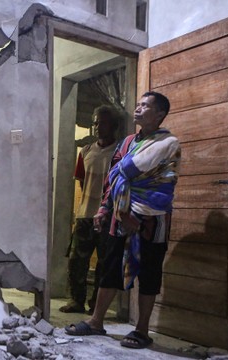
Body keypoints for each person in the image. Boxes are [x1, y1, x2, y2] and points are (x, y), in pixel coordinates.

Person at [64, 91, 181, 350]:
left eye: (145, 106)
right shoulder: (127, 143)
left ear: (160, 114)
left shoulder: (169, 143)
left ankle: (141, 330)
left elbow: (162, 187)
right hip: (119, 216)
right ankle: (96, 321)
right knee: (110, 267)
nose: (138, 109)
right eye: (138, 104)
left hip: (152, 220)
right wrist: (106, 209)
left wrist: (136, 216)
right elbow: (114, 179)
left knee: (149, 272)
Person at [60, 105, 120, 315]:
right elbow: (82, 182)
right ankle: (76, 300)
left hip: (108, 217)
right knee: (77, 261)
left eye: (101, 122)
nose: (97, 127)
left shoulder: (120, 151)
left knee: (104, 262)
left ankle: (96, 305)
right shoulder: (85, 151)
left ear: (113, 125)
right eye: (95, 122)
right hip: (85, 215)